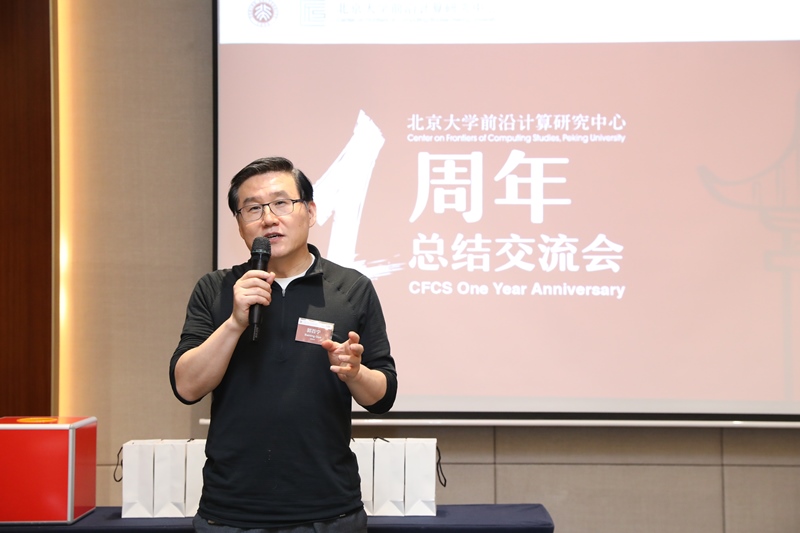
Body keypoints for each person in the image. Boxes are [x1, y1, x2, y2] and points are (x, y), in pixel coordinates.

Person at [169, 156, 398, 532]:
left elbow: (383, 396)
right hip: (230, 510)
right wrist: (234, 323)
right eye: (253, 208)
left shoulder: (352, 288)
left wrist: (355, 373)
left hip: (329, 509)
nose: (268, 219)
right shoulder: (216, 289)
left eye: (281, 203)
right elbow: (186, 387)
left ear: (310, 211)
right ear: (240, 224)